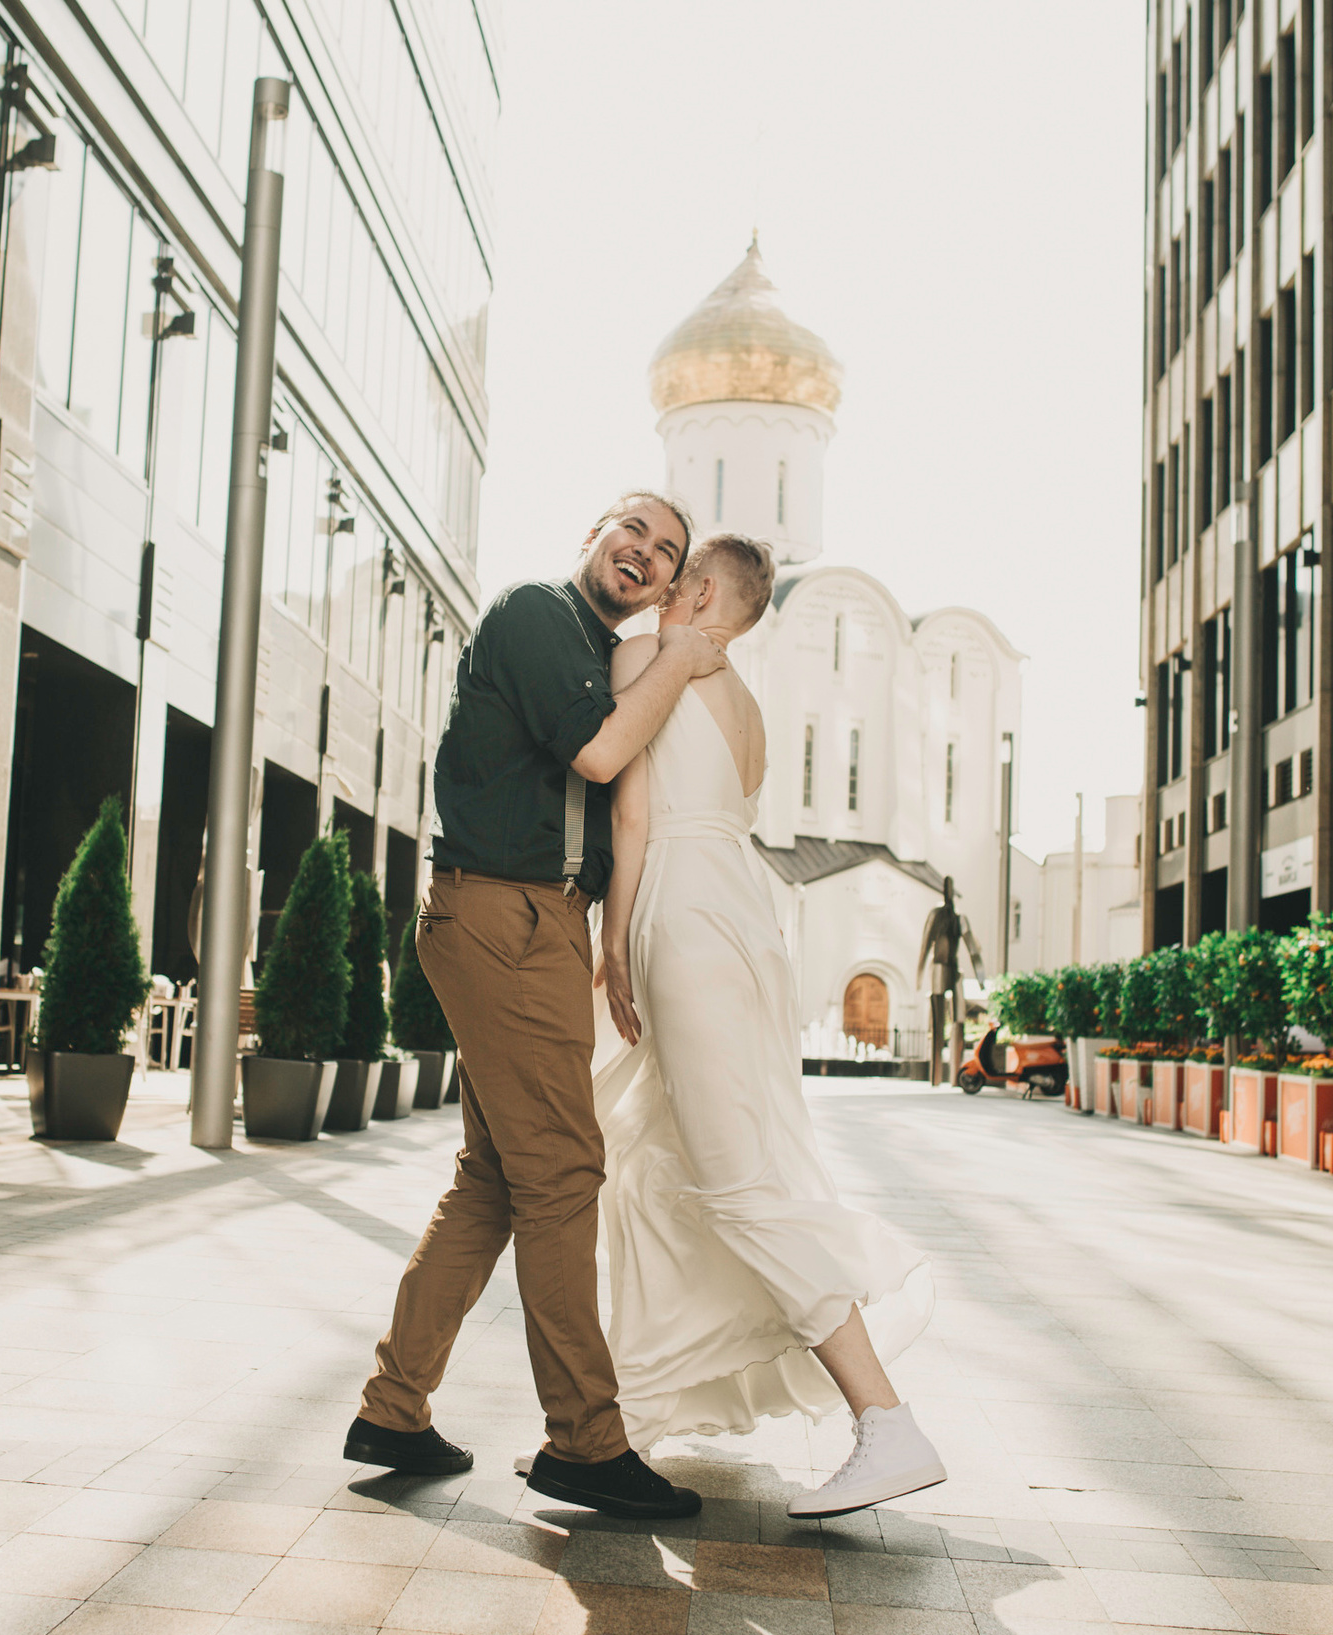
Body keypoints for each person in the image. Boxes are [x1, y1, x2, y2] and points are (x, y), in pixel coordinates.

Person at [345, 492, 725, 1521]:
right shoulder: (534, 614)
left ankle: (393, 1408)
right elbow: (598, 754)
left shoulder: (593, 648)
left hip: (535, 920)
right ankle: (585, 1441)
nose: (645, 555)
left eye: (667, 551)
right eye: (633, 531)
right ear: (593, 534)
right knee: (562, 1171)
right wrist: (683, 656)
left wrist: (607, 930)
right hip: (504, 916)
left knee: (495, 1178)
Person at [592, 533, 947, 1518]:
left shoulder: (649, 657)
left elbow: (632, 812)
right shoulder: (746, 704)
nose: (657, 590)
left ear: (702, 589)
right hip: (745, 920)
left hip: (683, 913)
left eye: (673, 577)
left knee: (735, 1181)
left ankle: (885, 1419)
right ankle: (628, 1414)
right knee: (678, 1161)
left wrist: (613, 938)